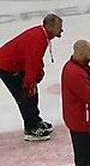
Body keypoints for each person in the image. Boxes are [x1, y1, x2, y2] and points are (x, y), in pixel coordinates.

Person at [0, 13, 62, 141]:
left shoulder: (42, 35)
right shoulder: (38, 38)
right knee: (24, 97)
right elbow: (32, 62)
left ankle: (36, 120)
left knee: (31, 95)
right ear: (50, 27)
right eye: (59, 27)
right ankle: (31, 128)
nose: (61, 30)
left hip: (16, 65)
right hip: (7, 67)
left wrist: (37, 74)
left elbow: (35, 59)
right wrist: (29, 83)